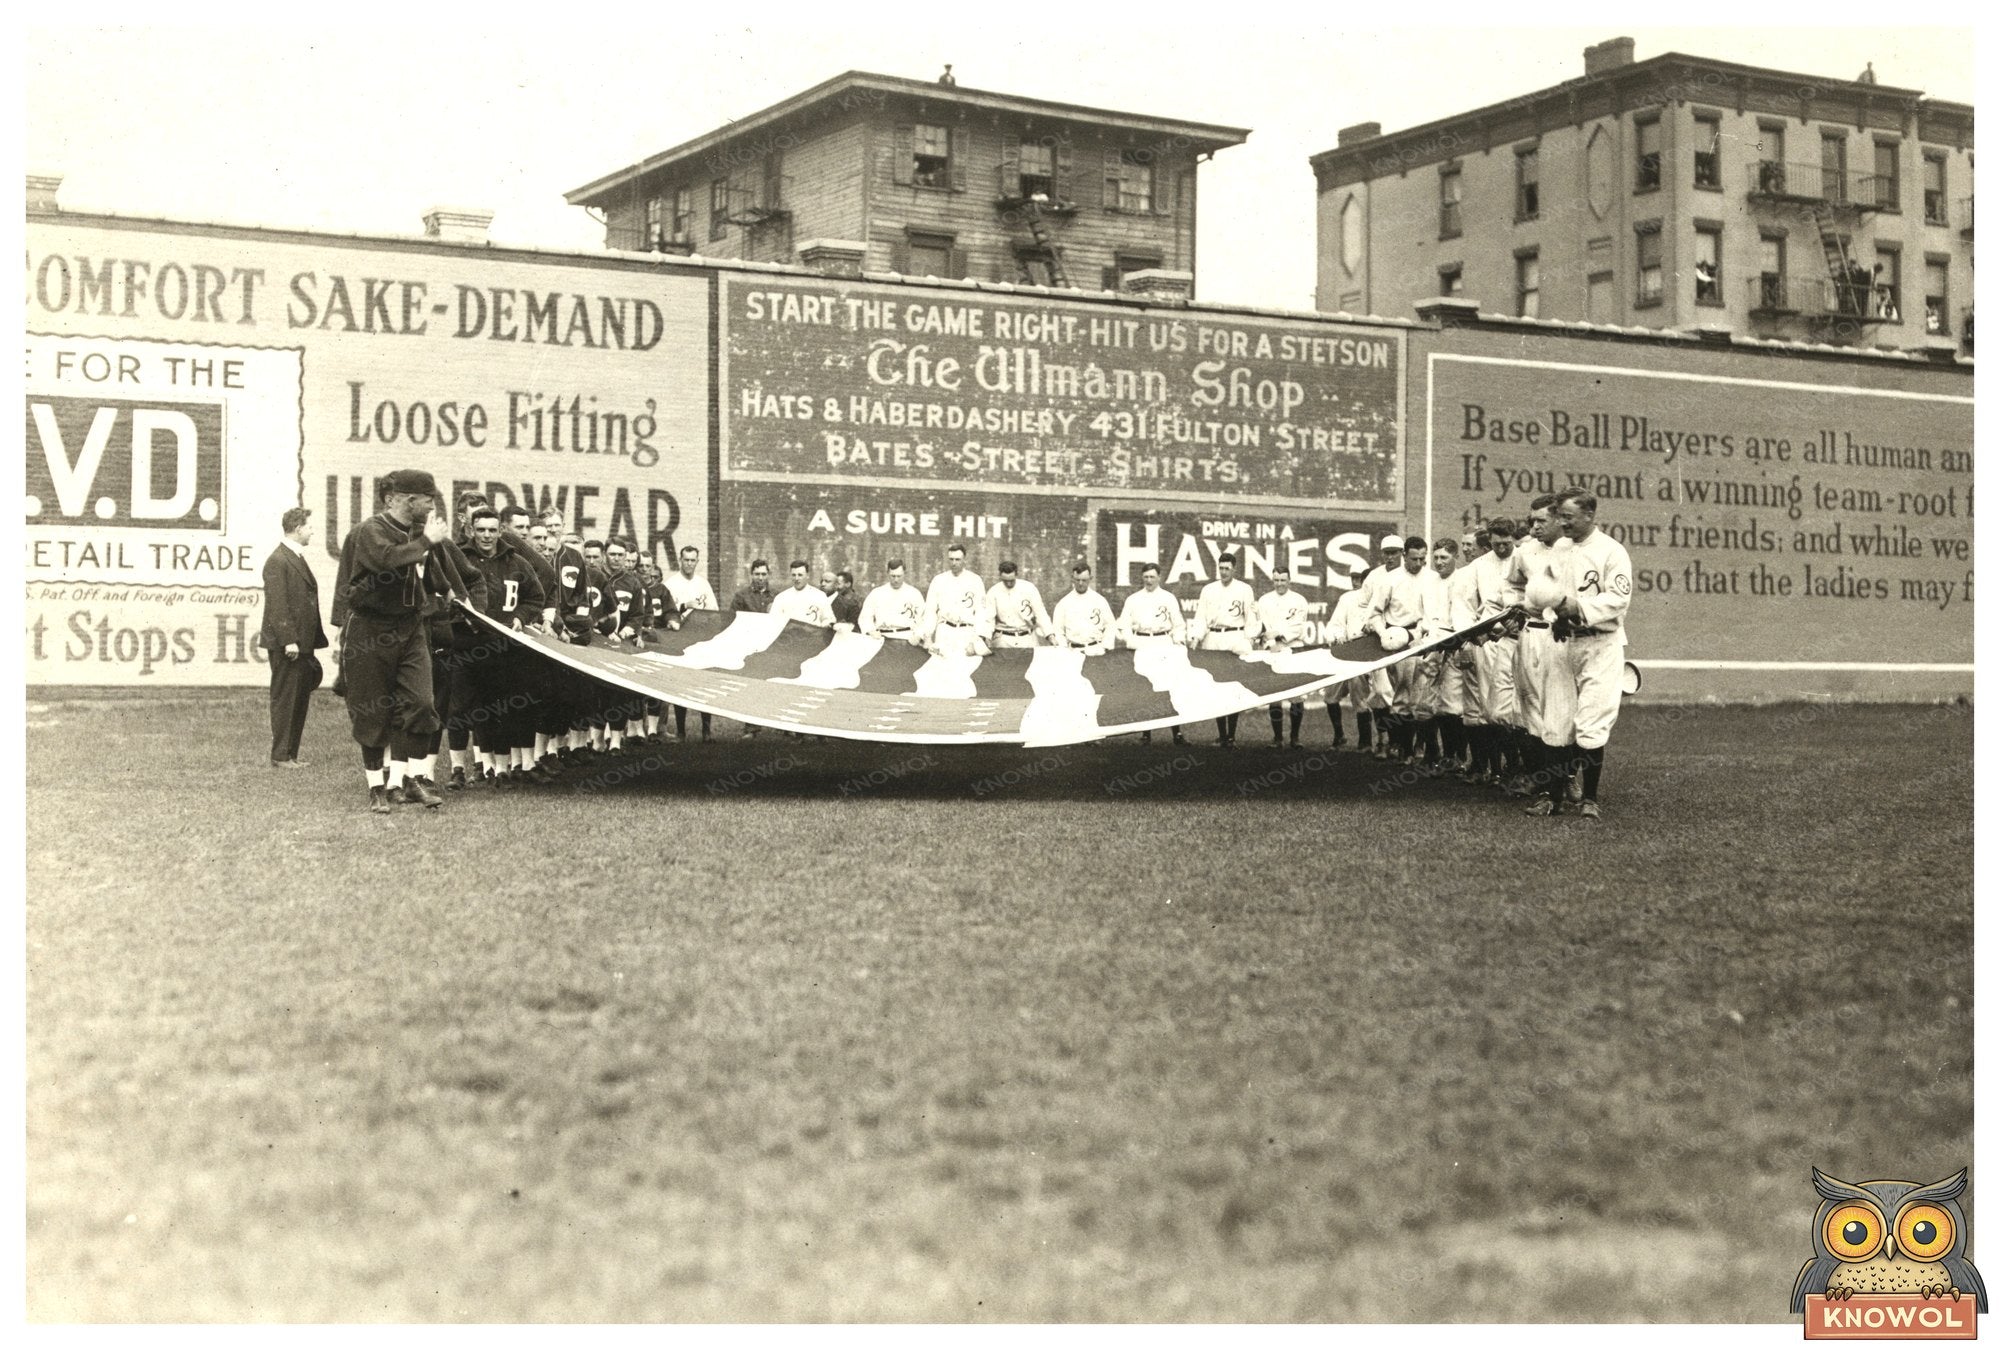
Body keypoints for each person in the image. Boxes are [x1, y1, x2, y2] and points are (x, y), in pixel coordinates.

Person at [332, 469, 452, 813]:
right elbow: (387, 559)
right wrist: (427, 542)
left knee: (421, 702)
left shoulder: (416, 533)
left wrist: (448, 591)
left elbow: (428, 573)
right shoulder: (372, 530)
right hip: (371, 628)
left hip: (410, 626)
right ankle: (377, 788)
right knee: (373, 709)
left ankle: (409, 779)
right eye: (428, 498)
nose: (432, 504)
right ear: (408, 499)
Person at [1549, 491, 1634, 821]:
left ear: (1589, 516)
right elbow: (1548, 591)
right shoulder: (1560, 548)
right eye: (1560, 516)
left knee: (1591, 721)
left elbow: (1618, 600)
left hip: (1602, 644)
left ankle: (1590, 797)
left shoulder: (1611, 551)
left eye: (1568, 516)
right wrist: (1554, 617)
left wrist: (1578, 608)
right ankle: (1557, 794)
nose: (1563, 522)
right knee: (1560, 719)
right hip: (1567, 643)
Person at [461, 507, 548, 788]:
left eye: (492, 530)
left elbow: (536, 597)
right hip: (472, 646)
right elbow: (446, 592)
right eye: (481, 530)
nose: (486, 535)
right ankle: (484, 767)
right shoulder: (462, 559)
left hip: (508, 648)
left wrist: (520, 618)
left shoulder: (516, 562)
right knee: (478, 709)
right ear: (472, 531)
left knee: (508, 707)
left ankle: (503, 768)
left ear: (501, 531)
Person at [1506, 497, 1579, 814]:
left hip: (1563, 637)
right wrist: (1514, 611)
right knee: (1530, 713)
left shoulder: (1573, 551)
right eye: (1531, 520)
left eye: (1540, 521)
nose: (1533, 526)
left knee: (1562, 714)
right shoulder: (1523, 552)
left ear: (1557, 520)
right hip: (1529, 637)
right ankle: (1545, 785)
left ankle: (1564, 782)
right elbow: (1512, 588)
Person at [1362, 535, 1445, 765]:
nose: (1418, 564)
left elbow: (1439, 610)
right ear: (1404, 556)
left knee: (1427, 698)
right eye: (1413, 559)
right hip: (1400, 639)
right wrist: (1383, 634)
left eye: (1422, 559)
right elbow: (1375, 613)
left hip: (1429, 639)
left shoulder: (1433, 578)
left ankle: (1429, 751)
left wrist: (1430, 634)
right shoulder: (1390, 579)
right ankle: (1405, 749)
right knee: (1403, 696)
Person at [259, 507, 326, 768]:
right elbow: (278, 605)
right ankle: (280, 755)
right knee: (286, 698)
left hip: (301, 645)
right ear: (297, 528)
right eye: (309, 526)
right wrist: (289, 640)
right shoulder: (278, 560)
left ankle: (290, 754)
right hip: (289, 645)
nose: (312, 531)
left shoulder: (293, 557)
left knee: (298, 699)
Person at [1465, 518, 1522, 787]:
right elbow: (1468, 604)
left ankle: (1520, 768)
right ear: (1490, 540)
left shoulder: (1524, 559)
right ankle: (1497, 768)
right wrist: (1474, 633)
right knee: (1491, 709)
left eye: (1507, 543)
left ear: (1513, 538)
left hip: (1521, 639)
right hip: (1488, 640)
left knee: (1522, 709)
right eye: (1497, 544)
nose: (1502, 548)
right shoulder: (1478, 566)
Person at [1190, 552, 1260, 747]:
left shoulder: (1244, 589)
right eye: (1221, 568)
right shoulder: (1208, 590)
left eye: (1227, 568)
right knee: (1217, 687)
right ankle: (1222, 735)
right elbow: (1201, 617)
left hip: (1234, 638)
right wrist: (1196, 637)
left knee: (1233, 687)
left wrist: (1249, 641)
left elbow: (1250, 619)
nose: (1223, 572)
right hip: (1213, 638)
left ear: (1234, 569)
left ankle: (1232, 735)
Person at [1117, 563, 1186, 745]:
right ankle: (1146, 734)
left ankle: (1177, 732)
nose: (1149, 580)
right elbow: (1123, 624)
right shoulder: (1133, 599)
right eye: (1146, 577)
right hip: (1143, 643)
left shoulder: (1168, 598)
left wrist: (1178, 639)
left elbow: (1178, 624)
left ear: (1159, 577)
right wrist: (1131, 640)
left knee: (1168, 687)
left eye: (1152, 577)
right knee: (1146, 687)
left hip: (1163, 642)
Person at [664, 545, 719, 740]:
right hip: (680, 639)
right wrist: (683, 606)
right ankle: (680, 731)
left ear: (697, 561)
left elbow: (714, 611)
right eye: (685, 560)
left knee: (704, 683)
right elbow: (665, 612)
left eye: (692, 560)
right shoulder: (671, 584)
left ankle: (706, 730)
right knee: (681, 684)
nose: (689, 563)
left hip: (701, 639)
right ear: (680, 560)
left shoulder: (703, 584)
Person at [1256, 566, 1311, 747]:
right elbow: (1263, 628)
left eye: (1283, 580)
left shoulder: (1299, 600)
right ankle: (1278, 738)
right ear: (1273, 581)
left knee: (1296, 695)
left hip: (1293, 648)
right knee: (1275, 694)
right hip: (1272, 651)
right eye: (1276, 580)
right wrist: (1271, 643)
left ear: (1289, 581)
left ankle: (1295, 738)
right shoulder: (1264, 600)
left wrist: (1279, 634)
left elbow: (1298, 628)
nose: (1279, 584)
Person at [926, 543, 989, 656]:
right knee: (942, 669)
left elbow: (981, 612)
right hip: (944, 631)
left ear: (964, 559)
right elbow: (930, 611)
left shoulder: (975, 580)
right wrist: (927, 636)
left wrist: (975, 641)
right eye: (951, 559)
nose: (954, 563)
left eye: (957, 559)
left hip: (966, 632)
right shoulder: (939, 580)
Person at [1049, 562, 1116, 652]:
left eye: (1084, 580)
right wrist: (1064, 649)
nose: (1080, 583)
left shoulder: (1100, 601)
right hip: (1073, 651)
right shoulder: (1064, 603)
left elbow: (1110, 625)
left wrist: (1105, 646)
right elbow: (1058, 630)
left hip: (1096, 650)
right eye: (1077, 580)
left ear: (1090, 579)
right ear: (1072, 579)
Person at [860, 560, 928, 642]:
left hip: (907, 637)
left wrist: (918, 635)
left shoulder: (914, 593)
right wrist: (871, 631)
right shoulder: (877, 593)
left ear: (904, 574)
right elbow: (865, 617)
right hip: (882, 638)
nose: (896, 580)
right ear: (888, 573)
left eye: (899, 576)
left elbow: (924, 618)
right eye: (893, 576)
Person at [988, 561, 1052, 648]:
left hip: (1027, 638)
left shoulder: (1029, 588)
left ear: (1016, 574)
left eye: (1011, 580)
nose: (1009, 584)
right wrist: (985, 637)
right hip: (1003, 639)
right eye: (1005, 581)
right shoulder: (993, 591)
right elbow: (987, 618)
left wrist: (1050, 635)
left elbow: (1041, 613)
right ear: (1000, 575)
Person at [770, 560, 837, 626]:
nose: (796, 578)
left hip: (813, 636)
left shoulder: (819, 596)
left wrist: (826, 624)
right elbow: (773, 621)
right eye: (793, 575)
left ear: (807, 575)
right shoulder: (781, 597)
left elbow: (828, 619)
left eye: (800, 575)